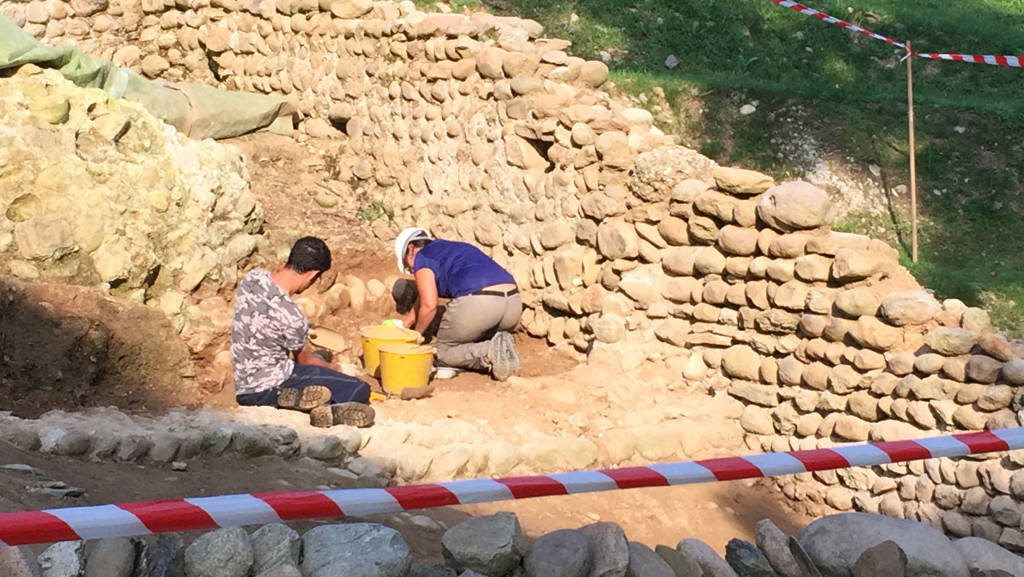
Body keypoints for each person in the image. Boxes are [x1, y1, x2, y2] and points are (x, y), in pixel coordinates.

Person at [231, 236, 375, 428]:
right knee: (359, 388)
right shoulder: (292, 316)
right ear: (312, 275)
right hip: (270, 384)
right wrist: (338, 368)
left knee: (321, 356)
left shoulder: (252, 279)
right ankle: (319, 410)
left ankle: (298, 399)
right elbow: (304, 361)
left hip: (244, 383)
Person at [394, 227, 522, 381]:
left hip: (481, 303)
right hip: (513, 303)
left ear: (410, 249)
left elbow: (429, 305)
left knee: (442, 351)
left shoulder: (421, 257)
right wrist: (405, 325)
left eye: (409, 267)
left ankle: (488, 351)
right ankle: (501, 344)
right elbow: (422, 298)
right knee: (472, 338)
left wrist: (416, 337)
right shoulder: (450, 249)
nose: (413, 271)